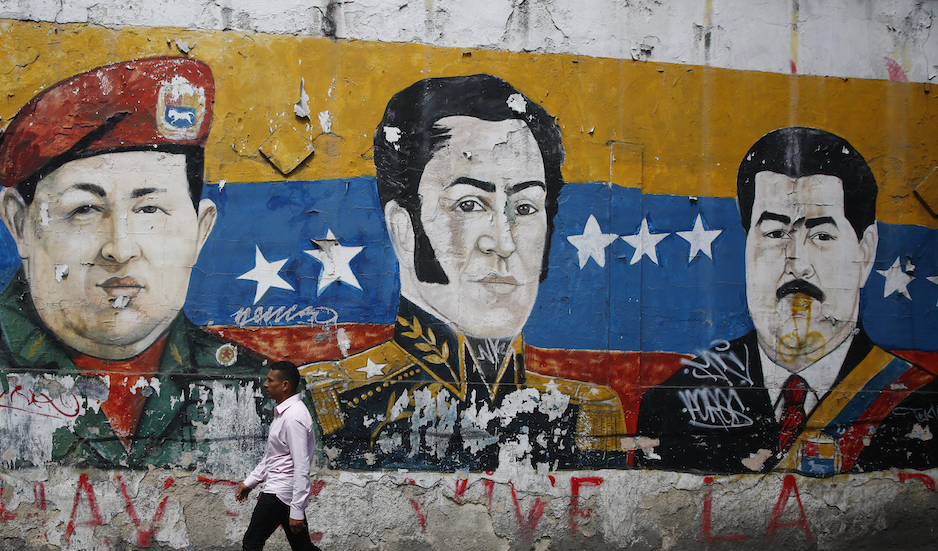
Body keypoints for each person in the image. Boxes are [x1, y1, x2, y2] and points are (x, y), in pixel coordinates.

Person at [0, 57, 267, 469]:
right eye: (84, 210)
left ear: (200, 231)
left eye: (150, 209)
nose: (120, 248)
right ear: (20, 223)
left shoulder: (259, 390)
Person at [301, 74, 626, 472]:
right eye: (470, 204)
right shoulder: (335, 398)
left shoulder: (585, 412)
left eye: (525, 208)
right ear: (404, 229)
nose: (503, 243)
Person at [637, 127, 937, 475]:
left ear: (865, 253)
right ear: (747, 247)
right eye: (776, 234)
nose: (797, 264)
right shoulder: (674, 403)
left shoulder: (917, 404)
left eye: (821, 235)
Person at [213, 361, 370, 551]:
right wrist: (250, 482)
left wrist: (297, 509)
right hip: (282, 491)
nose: (265, 384)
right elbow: (273, 457)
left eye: (270, 380)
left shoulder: (295, 416)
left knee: (252, 542)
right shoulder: (285, 413)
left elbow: (301, 467)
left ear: (285, 385)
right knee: (303, 548)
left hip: (281, 494)